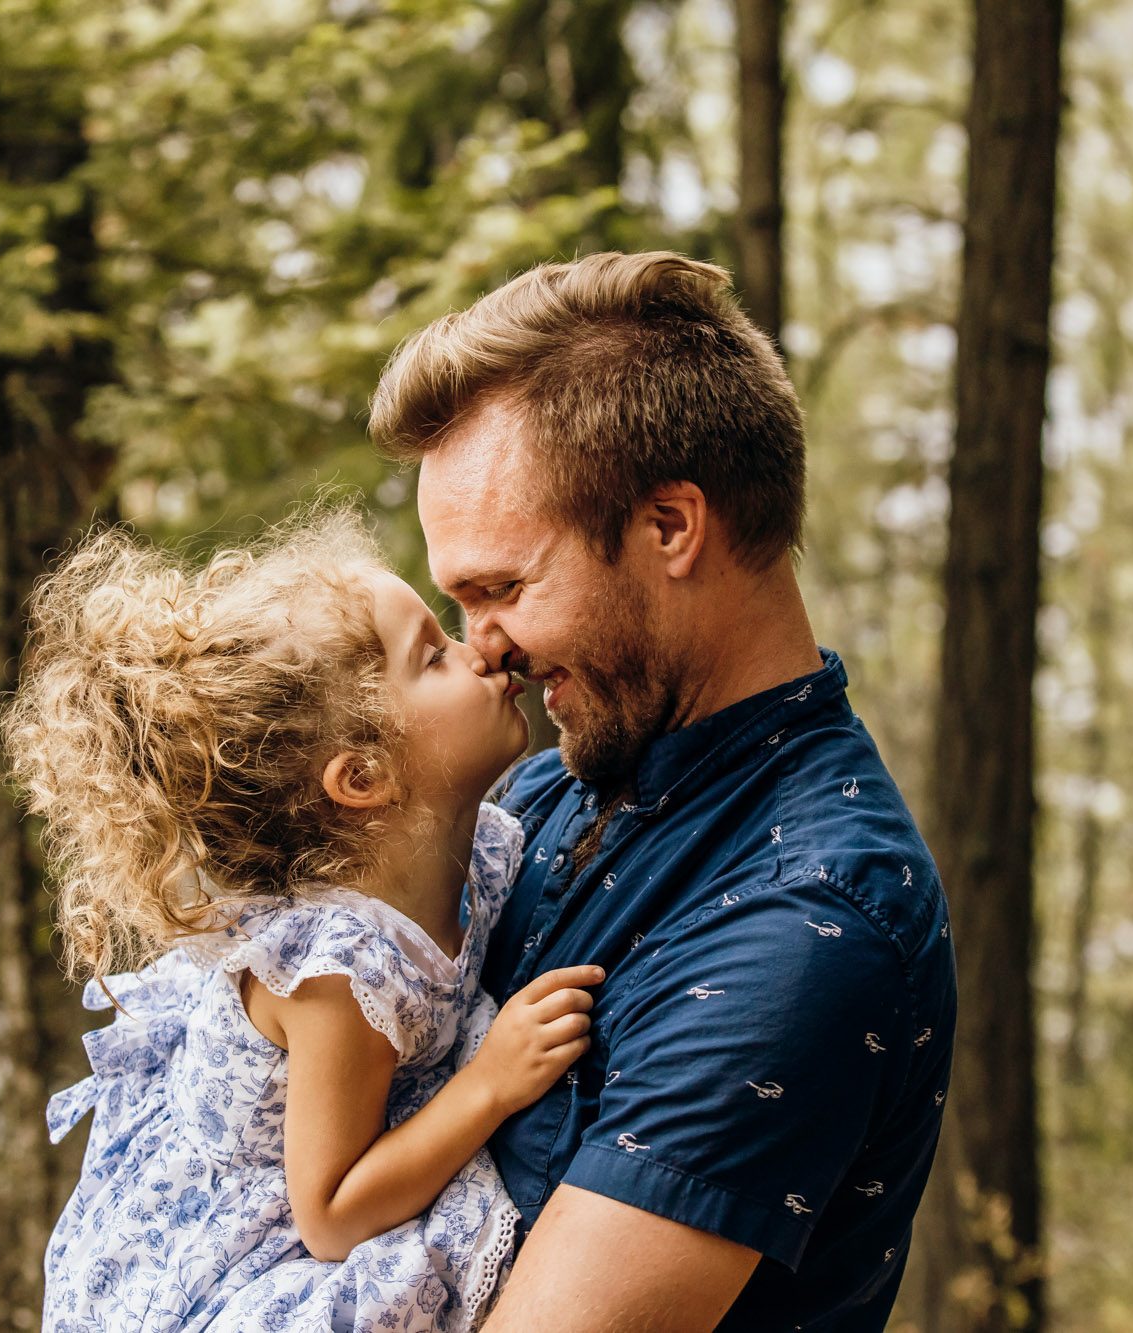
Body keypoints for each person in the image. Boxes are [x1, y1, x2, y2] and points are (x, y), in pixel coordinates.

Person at [370, 250, 958, 1332]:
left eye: (499, 589)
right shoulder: (547, 795)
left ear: (670, 527)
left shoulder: (803, 923)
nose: (481, 652)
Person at [0, 510, 603, 1333]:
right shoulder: (340, 975)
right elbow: (329, 1212)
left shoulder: (479, 848)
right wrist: (490, 1084)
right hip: (243, 1248)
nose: (480, 649)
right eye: (434, 655)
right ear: (363, 775)